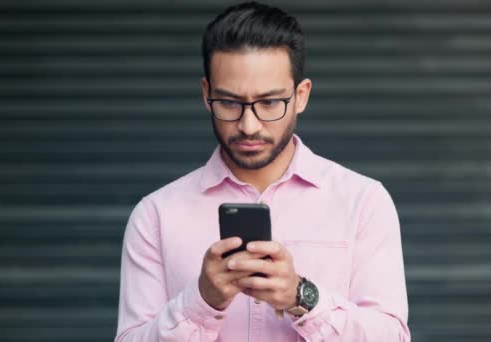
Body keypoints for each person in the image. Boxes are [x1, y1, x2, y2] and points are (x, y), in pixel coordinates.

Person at [115, 2, 410, 341]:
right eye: (229, 102)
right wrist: (200, 302)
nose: (249, 125)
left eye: (269, 103)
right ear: (206, 94)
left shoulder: (364, 203)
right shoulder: (155, 216)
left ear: (301, 96)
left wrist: (302, 296)